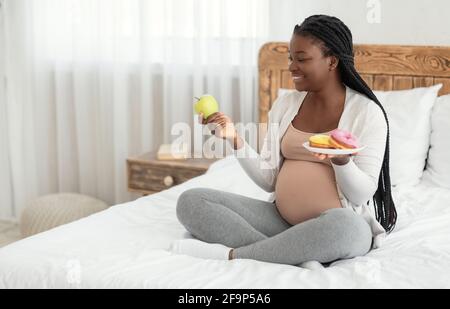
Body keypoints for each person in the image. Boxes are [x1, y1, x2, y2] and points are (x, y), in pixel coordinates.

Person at [169, 14, 397, 266]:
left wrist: (341, 161)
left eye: (302, 59)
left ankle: (235, 255)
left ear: (331, 61)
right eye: (291, 58)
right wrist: (234, 139)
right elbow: (269, 180)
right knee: (191, 202)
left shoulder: (367, 113)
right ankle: (292, 252)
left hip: (337, 223)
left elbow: (362, 193)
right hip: (278, 220)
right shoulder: (285, 105)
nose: (291, 67)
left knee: (348, 229)